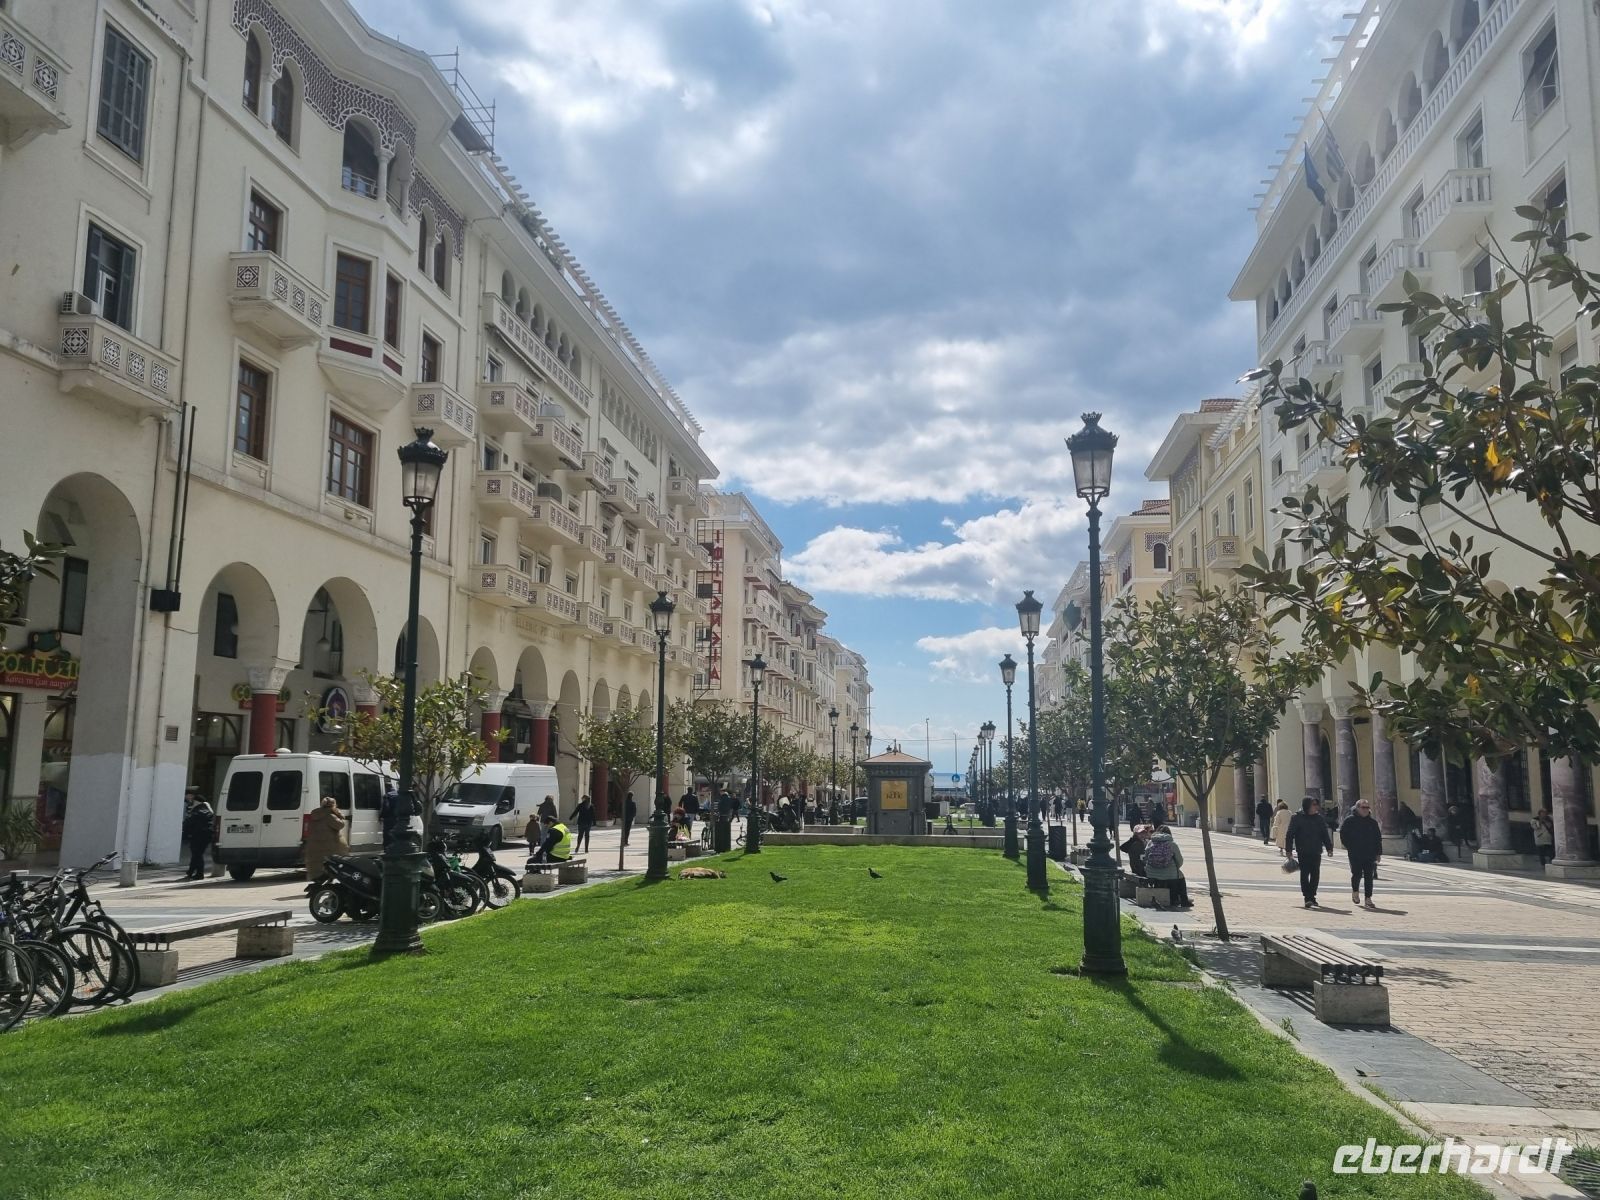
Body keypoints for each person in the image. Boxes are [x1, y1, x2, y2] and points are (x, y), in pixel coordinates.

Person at [1288, 797, 1335, 909]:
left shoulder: (1319, 818)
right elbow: (1290, 834)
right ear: (1307, 805)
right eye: (1313, 804)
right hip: (1303, 850)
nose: (1316, 807)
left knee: (1315, 874)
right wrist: (1288, 850)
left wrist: (1329, 848)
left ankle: (1312, 896)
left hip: (1316, 850)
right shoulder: (1297, 817)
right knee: (1304, 874)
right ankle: (1307, 897)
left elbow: (1324, 834)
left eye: (1316, 804)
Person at [1339, 798, 1383, 910]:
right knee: (1357, 874)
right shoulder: (1350, 821)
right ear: (1357, 808)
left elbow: (1378, 838)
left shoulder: (1373, 823)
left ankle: (1368, 898)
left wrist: (1378, 853)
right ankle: (1355, 891)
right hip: (1355, 853)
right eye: (1363, 807)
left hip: (1370, 853)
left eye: (1367, 807)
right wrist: (1350, 846)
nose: (1366, 810)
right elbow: (1343, 835)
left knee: (1369, 876)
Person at [1142, 825, 1192, 908]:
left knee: (1168, 875)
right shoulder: (1172, 844)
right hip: (1170, 874)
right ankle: (1183, 900)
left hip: (1151, 873)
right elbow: (1179, 860)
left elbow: (1145, 858)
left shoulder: (1150, 842)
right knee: (1181, 877)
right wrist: (1175, 867)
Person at [303, 795, 348, 881]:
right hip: (329, 846)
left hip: (314, 846)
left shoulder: (315, 815)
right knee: (333, 864)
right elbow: (340, 825)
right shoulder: (330, 816)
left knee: (318, 866)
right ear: (333, 805)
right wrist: (339, 815)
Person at [181, 793, 215, 880]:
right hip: (207, 836)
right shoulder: (209, 810)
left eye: (193, 801)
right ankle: (191, 871)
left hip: (197, 835)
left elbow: (188, 824)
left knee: (197, 854)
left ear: (197, 801)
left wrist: (185, 835)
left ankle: (199, 874)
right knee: (197, 854)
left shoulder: (196, 811)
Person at [379, 778, 401, 851]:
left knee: (387, 835)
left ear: (386, 788)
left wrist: (381, 816)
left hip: (389, 819)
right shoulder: (398, 794)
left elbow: (386, 807)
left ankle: (387, 849)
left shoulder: (387, 795)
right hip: (397, 819)